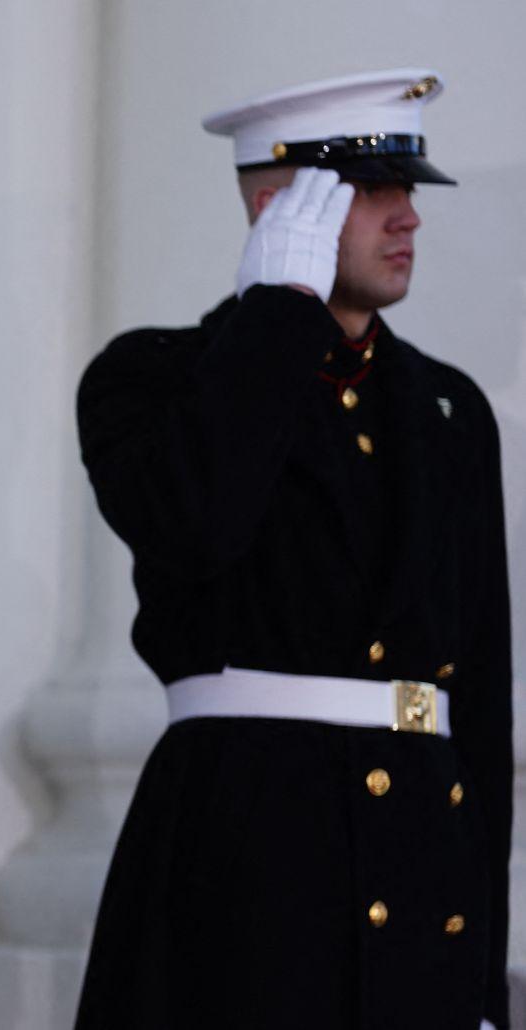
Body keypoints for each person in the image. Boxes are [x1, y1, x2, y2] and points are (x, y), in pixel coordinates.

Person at [75, 69, 511, 1029]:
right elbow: (196, 521)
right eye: (371, 189)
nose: (408, 218)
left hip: (423, 869)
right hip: (254, 858)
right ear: (279, 204)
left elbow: (476, 701)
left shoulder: (450, 411)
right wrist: (279, 312)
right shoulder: (152, 378)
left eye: (410, 189)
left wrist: (485, 981)